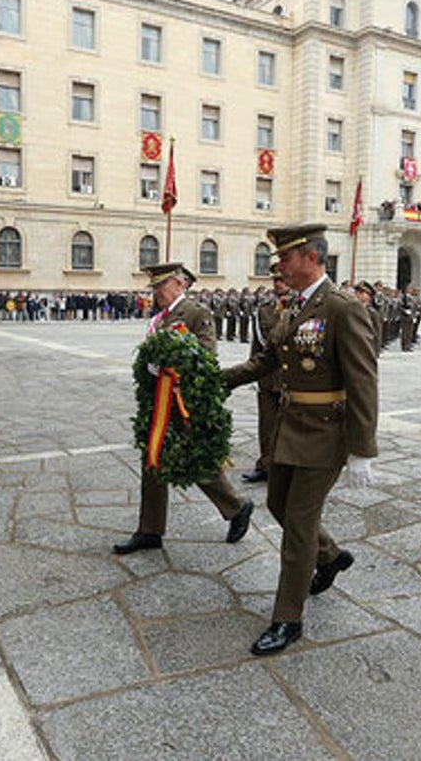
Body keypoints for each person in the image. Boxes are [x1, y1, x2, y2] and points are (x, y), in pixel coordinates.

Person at [222, 224, 378, 656]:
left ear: (311, 258)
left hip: (326, 433)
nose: (279, 267)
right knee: (277, 504)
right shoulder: (295, 307)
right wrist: (222, 380)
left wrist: (362, 449)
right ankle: (329, 557)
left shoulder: (343, 308)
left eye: (285, 259)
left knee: (298, 528)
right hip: (291, 428)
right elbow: (268, 360)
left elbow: (364, 381)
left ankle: (287, 619)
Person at [112, 262, 254, 556]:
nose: (156, 292)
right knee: (153, 460)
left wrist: (170, 365)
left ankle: (237, 506)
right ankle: (150, 530)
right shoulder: (161, 316)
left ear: (179, 284)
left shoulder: (196, 312)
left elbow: (206, 353)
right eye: (154, 287)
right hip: (158, 403)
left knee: (194, 460)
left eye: (161, 286)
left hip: (182, 402)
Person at [243, 263, 288, 484]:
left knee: (291, 425)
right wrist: (254, 374)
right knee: (267, 423)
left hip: (292, 377)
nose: (279, 284)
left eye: (282, 279)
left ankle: (286, 467)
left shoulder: (301, 306)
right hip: (269, 376)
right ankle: (265, 465)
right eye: (276, 280)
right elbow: (258, 345)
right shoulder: (265, 309)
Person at [353, 281, 383, 358]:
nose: (357, 295)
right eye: (356, 292)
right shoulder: (351, 310)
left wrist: (375, 352)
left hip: (366, 349)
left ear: (369, 296)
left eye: (362, 293)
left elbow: (377, 333)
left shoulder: (372, 313)